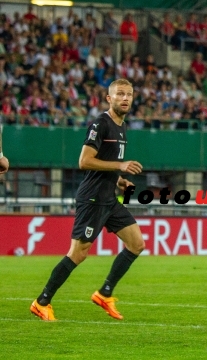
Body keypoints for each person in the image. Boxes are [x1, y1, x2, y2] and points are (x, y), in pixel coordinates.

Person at [30, 79, 145, 321]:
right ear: (109, 98)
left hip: (109, 198)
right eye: (120, 94)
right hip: (92, 198)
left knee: (136, 244)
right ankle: (42, 301)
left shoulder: (121, 126)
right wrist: (120, 166)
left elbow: (105, 166)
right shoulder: (100, 124)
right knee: (78, 253)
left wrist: (120, 180)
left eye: (129, 95)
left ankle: (104, 293)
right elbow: (84, 161)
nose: (125, 98)